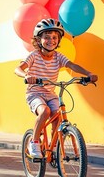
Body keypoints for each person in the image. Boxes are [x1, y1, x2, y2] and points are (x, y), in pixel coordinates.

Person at [14, 18, 98, 159]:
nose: (51, 40)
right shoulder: (34, 55)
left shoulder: (58, 57)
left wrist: (88, 74)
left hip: (51, 94)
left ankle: (53, 149)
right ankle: (34, 142)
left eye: (54, 37)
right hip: (35, 93)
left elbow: (72, 65)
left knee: (58, 116)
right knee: (45, 111)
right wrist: (26, 75)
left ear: (58, 40)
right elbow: (18, 69)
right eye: (46, 37)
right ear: (39, 39)